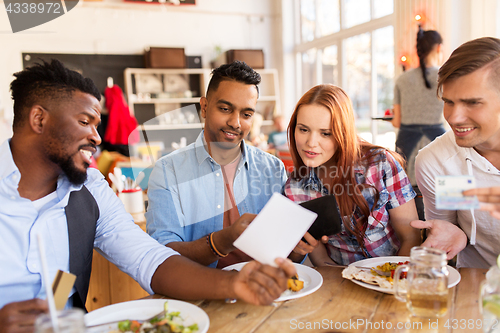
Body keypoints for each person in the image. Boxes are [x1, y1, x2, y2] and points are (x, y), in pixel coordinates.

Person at [0, 60, 296, 333]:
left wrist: (234, 283)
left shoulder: (89, 190)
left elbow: (150, 258)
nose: (97, 137)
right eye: (84, 122)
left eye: (96, 124)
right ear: (39, 119)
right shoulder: (168, 170)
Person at [146, 61, 287, 269]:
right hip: (201, 296)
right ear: (204, 107)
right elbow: (164, 254)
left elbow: (283, 245)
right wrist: (221, 241)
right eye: (225, 109)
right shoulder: (169, 172)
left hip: (266, 291)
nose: (235, 122)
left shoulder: (273, 169)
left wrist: (297, 247)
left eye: (246, 114)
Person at [283, 84, 421, 266]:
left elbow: (411, 238)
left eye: (325, 133)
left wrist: (388, 282)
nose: (311, 143)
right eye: (303, 129)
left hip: (391, 278)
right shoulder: (295, 187)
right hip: (339, 282)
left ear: (343, 133)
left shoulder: (381, 164)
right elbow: (322, 261)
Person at [412, 37, 500, 268]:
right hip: (477, 288)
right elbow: (447, 227)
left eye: (472, 102)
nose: (453, 117)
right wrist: (454, 233)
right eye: (449, 101)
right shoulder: (438, 162)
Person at [392, 27, 446, 161]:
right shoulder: (446, 77)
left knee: (405, 182)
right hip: (438, 146)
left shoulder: (402, 79)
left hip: (406, 149)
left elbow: (397, 122)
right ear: (439, 48)